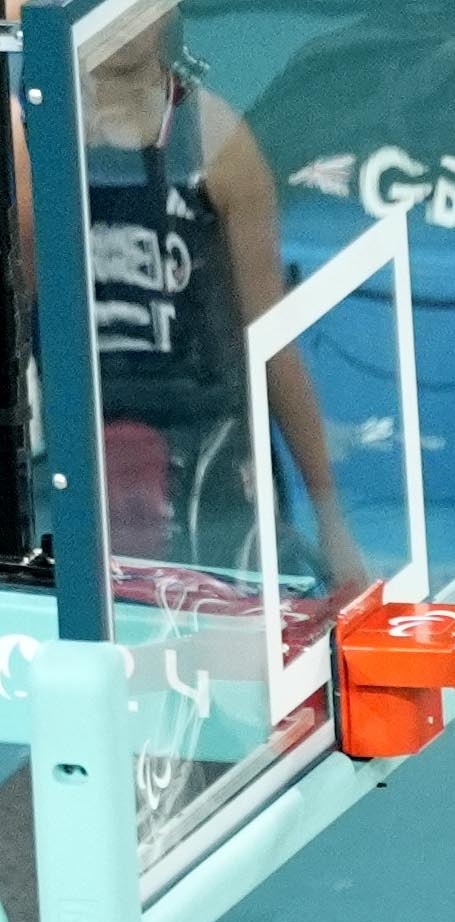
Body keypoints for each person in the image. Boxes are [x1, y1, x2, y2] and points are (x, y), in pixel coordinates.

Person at [37, 9, 363, 587]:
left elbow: (273, 340)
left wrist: (332, 522)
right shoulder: (31, 140)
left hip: (205, 451)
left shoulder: (217, 141)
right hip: (75, 449)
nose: (122, 19)